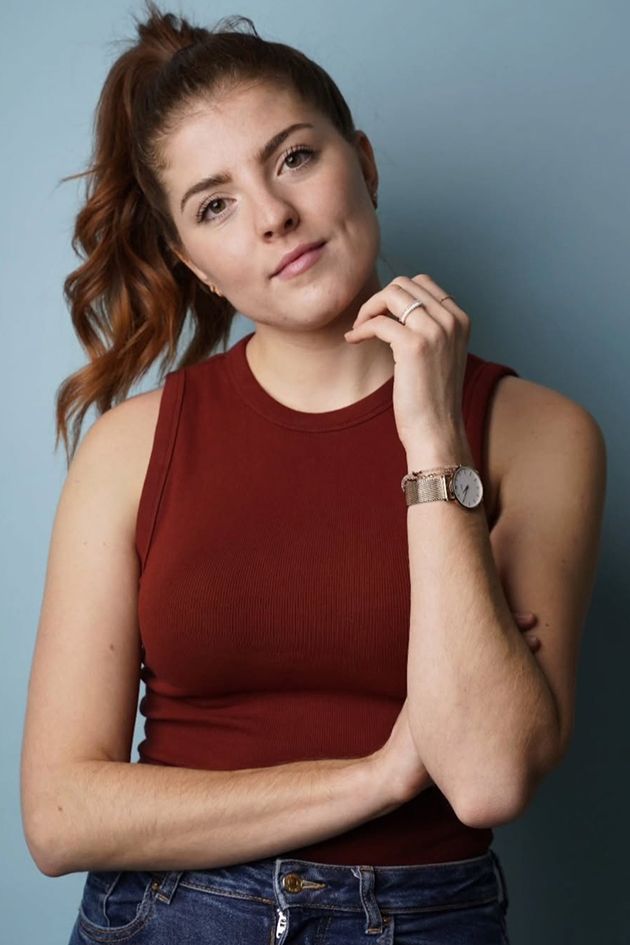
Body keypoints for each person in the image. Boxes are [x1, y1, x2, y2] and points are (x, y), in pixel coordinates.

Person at [20, 3, 606, 943]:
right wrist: (380, 775)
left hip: (425, 919)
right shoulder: (131, 449)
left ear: (362, 162)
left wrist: (433, 439)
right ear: (194, 263)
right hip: (172, 915)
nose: (274, 217)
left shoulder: (538, 434)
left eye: (294, 157)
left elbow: (489, 776)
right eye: (215, 205)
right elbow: (59, 816)